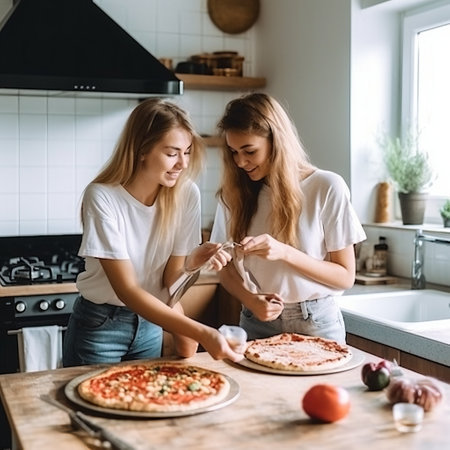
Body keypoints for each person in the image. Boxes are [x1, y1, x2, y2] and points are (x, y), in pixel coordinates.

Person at [63, 98, 241, 367]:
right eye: (172, 153)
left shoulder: (186, 194)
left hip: (151, 325)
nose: (182, 163)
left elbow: (171, 283)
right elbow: (127, 290)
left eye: (188, 151)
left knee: (143, 405)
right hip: (100, 327)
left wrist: (193, 264)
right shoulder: (102, 196)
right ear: (142, 149)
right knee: (89, 408)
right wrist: (202, 332)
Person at [210, 93, 366, 344]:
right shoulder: (234, 193)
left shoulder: (326, 187)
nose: (240, 162)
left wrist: (284, 252)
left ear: (276, 141)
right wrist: (250, 300)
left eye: (249, 151)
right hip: (255, 320)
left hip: (316, 322)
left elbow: (345, 275)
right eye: (234, 152)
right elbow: (226, 269)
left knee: (321, 387)